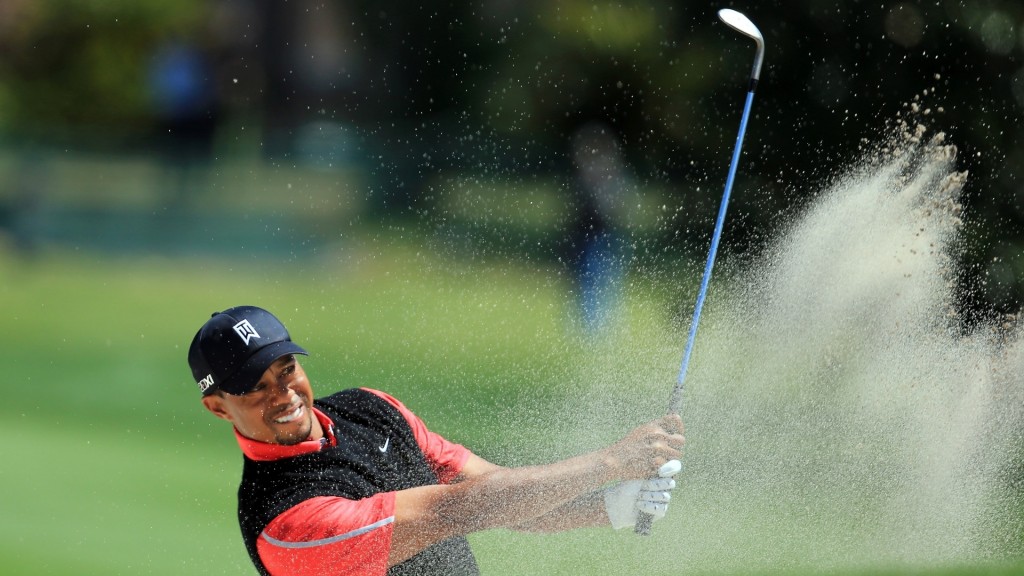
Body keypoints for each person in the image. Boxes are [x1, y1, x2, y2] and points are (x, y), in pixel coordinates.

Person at [187, 305, 684, 575]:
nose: (284, 393)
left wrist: (612, 506)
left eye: (286, 369)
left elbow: (497, 491)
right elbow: (460, 509)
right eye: (256, 386)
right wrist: (612, 462)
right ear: (217, 406)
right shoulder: (285, 521)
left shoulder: (369, 408)